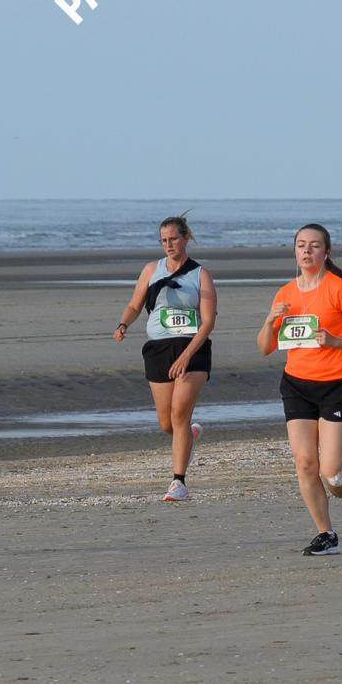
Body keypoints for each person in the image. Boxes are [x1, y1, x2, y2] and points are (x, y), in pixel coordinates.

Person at [255, 224, 342, 556]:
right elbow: (265, 347)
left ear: (326, 252)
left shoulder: (340, 290)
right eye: (301, 245)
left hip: (336, 384)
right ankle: (326, 534)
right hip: (296, 385)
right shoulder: (285, 293)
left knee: (333, 473)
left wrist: (336, 341)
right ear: (294, 251)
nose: (307, 251)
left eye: (314, 245)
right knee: (305, 464)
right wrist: (269, 320)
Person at [112, 213, 217, 502]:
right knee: (166, 423)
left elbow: (208, 321)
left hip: (192, 348)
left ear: (186, 238)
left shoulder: (200, 274)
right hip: (158, 348)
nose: (168, 245)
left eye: (173, 239)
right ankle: (189, 437)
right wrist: (123, 324)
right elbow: (135, 305)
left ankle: (178, 483)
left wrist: (186, 355)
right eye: (163, 241)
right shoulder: (151, 269)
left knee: (180, 414)